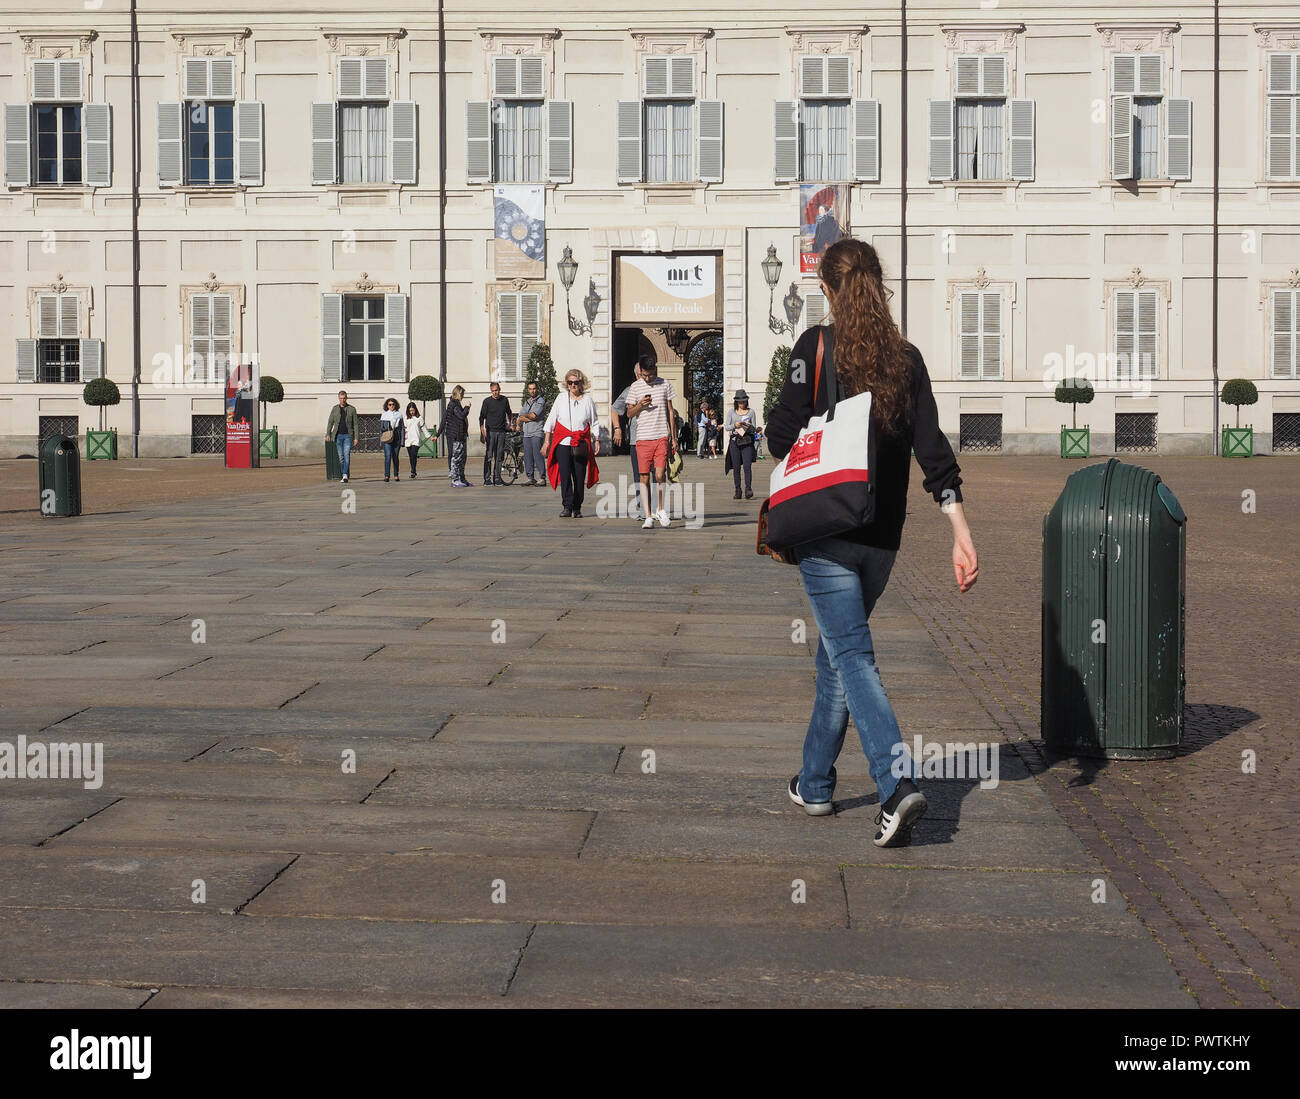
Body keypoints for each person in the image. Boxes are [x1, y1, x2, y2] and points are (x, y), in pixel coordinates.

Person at [766, 237, 978, 848]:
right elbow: (934, 454)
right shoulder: (905, 361)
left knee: (852, 657)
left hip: (827, 532)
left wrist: (816, 425)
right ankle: (814, 782)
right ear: (879, 287)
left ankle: (894, 783)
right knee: (835, 656)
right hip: (883, 542)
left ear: (830, 291)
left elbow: (781, 436)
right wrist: (961, 533)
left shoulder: (814, 347)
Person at [625, 359, 677, 529]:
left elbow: (670, 410)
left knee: (660, 475)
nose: (648, 378)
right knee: (644, 477)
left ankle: (660, 508)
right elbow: (629, 414)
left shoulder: (664, 384)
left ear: (655, 369)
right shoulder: (635, 387)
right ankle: (648, 515)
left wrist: (673, 437)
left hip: (661, 435)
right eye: (645, 375)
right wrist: (640, 405)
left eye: (651, 375)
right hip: (643, 438)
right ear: (640, 370)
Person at [543, 369, 600, 518]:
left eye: (576, 382)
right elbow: (551, 419)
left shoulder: (587, 400)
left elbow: (594, 421)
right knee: (565, 475)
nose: (573, 385)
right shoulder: (561, 398)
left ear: (581, 383)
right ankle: (567, 506)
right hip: (563, 443)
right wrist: (547, 441)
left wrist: (597, 439)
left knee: (579, 476)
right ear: (567, 384)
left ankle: (577, 507)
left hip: (580, 443)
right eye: (570, 382)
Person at [611, 359, 647, 520]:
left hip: (655, 437)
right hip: (636, 439)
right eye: (640, 375)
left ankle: (655, 507)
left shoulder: (657, 387)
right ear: (636, 375)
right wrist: (617, 429)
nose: (643, 378)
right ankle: (642, 507)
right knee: (639, 475)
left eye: (645, 374)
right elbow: (614, 409)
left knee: (657, 474)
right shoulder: (629, 390)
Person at [724, 389, 758, 499]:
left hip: (747, 441)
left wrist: (748, 426)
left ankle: (748, 488)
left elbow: (754, 429)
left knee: (747, 466)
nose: (742, 404)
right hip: (735, 442)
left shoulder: (751, 412)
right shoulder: (731, 412)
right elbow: (727, 426)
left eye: (743, 401)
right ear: (736, 402)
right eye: (740, 402)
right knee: (737, 467)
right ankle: (738, 490)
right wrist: (735, 425)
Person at [479, 382, 513, 486]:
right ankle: (487, 479)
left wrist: (510, 424)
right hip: (490, 432)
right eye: (493, 391)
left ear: (499, 389)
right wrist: (482, 431)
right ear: (491, 391)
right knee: (489, 456)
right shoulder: (487, 401)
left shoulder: (504, 400)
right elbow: (481, 417)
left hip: (501, 432)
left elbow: (509, 412)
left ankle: (497, 478)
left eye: (497, 390)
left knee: (499, 457)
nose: (495, 393)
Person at [517, 381, 547, 486]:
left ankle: (542, 478)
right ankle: (530, 477)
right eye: (530, 389)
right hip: (527, 433)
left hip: (536, 432)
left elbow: (534, 415)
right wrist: (527, 416)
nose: (532, 391)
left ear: (537, 389)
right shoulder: (527, 401)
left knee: (537, 455)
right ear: (528, 390)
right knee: (527, 456)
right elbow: (520, 417)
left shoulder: (540, 401)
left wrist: (526, 416)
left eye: (534, 388)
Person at [325, 390, 358, 483]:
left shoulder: (352, 409)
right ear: (338, 398)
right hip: (338, 435)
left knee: (346, 455)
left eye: (344, 398)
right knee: (341, 457)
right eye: (341, 398)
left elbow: (355, 424)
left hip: (348, 435)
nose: (342, 400)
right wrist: (328, 434)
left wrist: (356, 437)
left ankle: (345, 475)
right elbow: (330, 422)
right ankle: (345, 474)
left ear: (346, 398)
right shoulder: (335, 409)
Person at [444, 386, 471, 487]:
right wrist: (467, 407)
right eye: (462, 394)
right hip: (455, 435)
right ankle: (455, 479)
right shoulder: (453, 404)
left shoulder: (456, 404)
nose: (463, 396)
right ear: (458, 393)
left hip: (461, 434)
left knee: (462, 457)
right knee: (456, 457)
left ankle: (462, 478)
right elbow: (461, 415)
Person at [380, 397, 405, 482]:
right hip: (387, 438)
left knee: (395, 456)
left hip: (396, 437)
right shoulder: (384, 415)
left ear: (396, 405)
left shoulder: (399, 414)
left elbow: (402, 429)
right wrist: (381, 441)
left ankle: (396, 475)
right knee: (387, 457)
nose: (391, 406)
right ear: (387, 405)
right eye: (390, 404)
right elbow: (381, 429)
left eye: (393, 404)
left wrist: (402, 442)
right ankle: (386, 475)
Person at [402, 402, 428, 479]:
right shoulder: (406, 418)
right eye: (410, 411)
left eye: (413, 410)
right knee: (411, 456)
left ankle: (413, 471)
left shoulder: (419, 418)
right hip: (408, 440)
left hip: (416, 439)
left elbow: (424, 429)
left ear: (415, 410)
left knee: (414, 455)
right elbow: (404, 429)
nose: (412, 412)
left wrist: (430, 437)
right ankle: (413, 469)